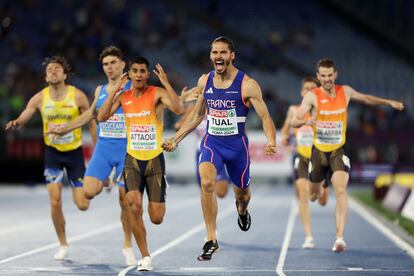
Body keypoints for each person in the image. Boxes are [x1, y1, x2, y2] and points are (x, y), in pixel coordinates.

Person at [162, 36, 277, 261]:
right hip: (212, 143)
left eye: (223, 53)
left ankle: (242, 211)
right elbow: (196, 115)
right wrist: (176, 139)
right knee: (207, 183)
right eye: (215, 53)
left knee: (242, 195)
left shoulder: (248, 84)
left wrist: (271, 141)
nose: (218, 57)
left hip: (237, 148)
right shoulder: (205, 81)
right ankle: (211, 239)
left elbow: (265, 117)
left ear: (232, 55)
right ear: (210, 56)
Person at [291, 58, 404, 253]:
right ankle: (321, 185)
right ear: (318, 77)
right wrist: (306, 121)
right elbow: (294, 120)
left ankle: (339, 238)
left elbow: (367, 98)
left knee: (341, 189)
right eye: (323, 76)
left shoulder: (346, 91)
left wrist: (388, 102)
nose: (327, 79)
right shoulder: (312, 96)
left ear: (335, 74)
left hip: (337, 151)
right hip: (318, 153)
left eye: (330, 75)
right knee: (312, 196)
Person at [47, 46, 136, 266]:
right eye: (106, 64)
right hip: (104, 149)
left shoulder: (134, 88)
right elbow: (90, 114)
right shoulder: (100, 89)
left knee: (125, 201)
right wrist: (65, 128)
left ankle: (127, 246)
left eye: (114, 62)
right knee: (87, 192)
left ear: (123, 64)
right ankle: (106, 179)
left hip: (127, 149)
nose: (110, 67)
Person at [5, 56, 96, 260]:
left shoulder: (78, 96)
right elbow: (26, 113)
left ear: (65, 75)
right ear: (46, 77)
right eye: (50, 70)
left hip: (74, 154)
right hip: (53, 154)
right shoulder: (40, 98)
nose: (53, 71)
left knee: (82, 204)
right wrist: (17, 122)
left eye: (57, 69)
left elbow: (90, 118)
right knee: (55, 202)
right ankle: (63, 243)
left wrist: (97, 145)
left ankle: (95, 183)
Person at [97, 57, 183, 271]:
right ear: (130, 74)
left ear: (147, 74)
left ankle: (161, 194)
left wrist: (166, 83)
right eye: (134, 71)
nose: (138, 74)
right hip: (132, 160)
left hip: (154, 161)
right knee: (134, 207)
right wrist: (115, 89)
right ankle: (145, 257)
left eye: (142, 71)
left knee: (156, 218)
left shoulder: (157, 93)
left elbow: (180, 109)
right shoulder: (123, 97)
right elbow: (101, 116)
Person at [280, 76, 323, 249]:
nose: (309, 91)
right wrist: (285, 136)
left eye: (313, 88)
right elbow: (285, 130)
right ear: (301, 92)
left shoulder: (323, 110)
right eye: (307, 88)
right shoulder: (294, 110)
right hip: (301, 156)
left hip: (320, 156)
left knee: (321, 199)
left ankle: (321, 188)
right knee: (303, 194)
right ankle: (309, 237)